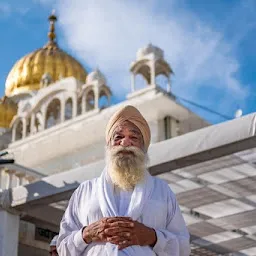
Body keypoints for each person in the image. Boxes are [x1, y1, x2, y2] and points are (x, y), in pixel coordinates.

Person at [57, 105, 190, 256]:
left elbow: (183, 248)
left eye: (133, 137)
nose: (125, 143)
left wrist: (152, 237)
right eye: (118, 137)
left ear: (144, 147)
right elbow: (62, 248)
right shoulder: (85, 191)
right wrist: (86, 234)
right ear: (108, 146)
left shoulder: (162, 191)